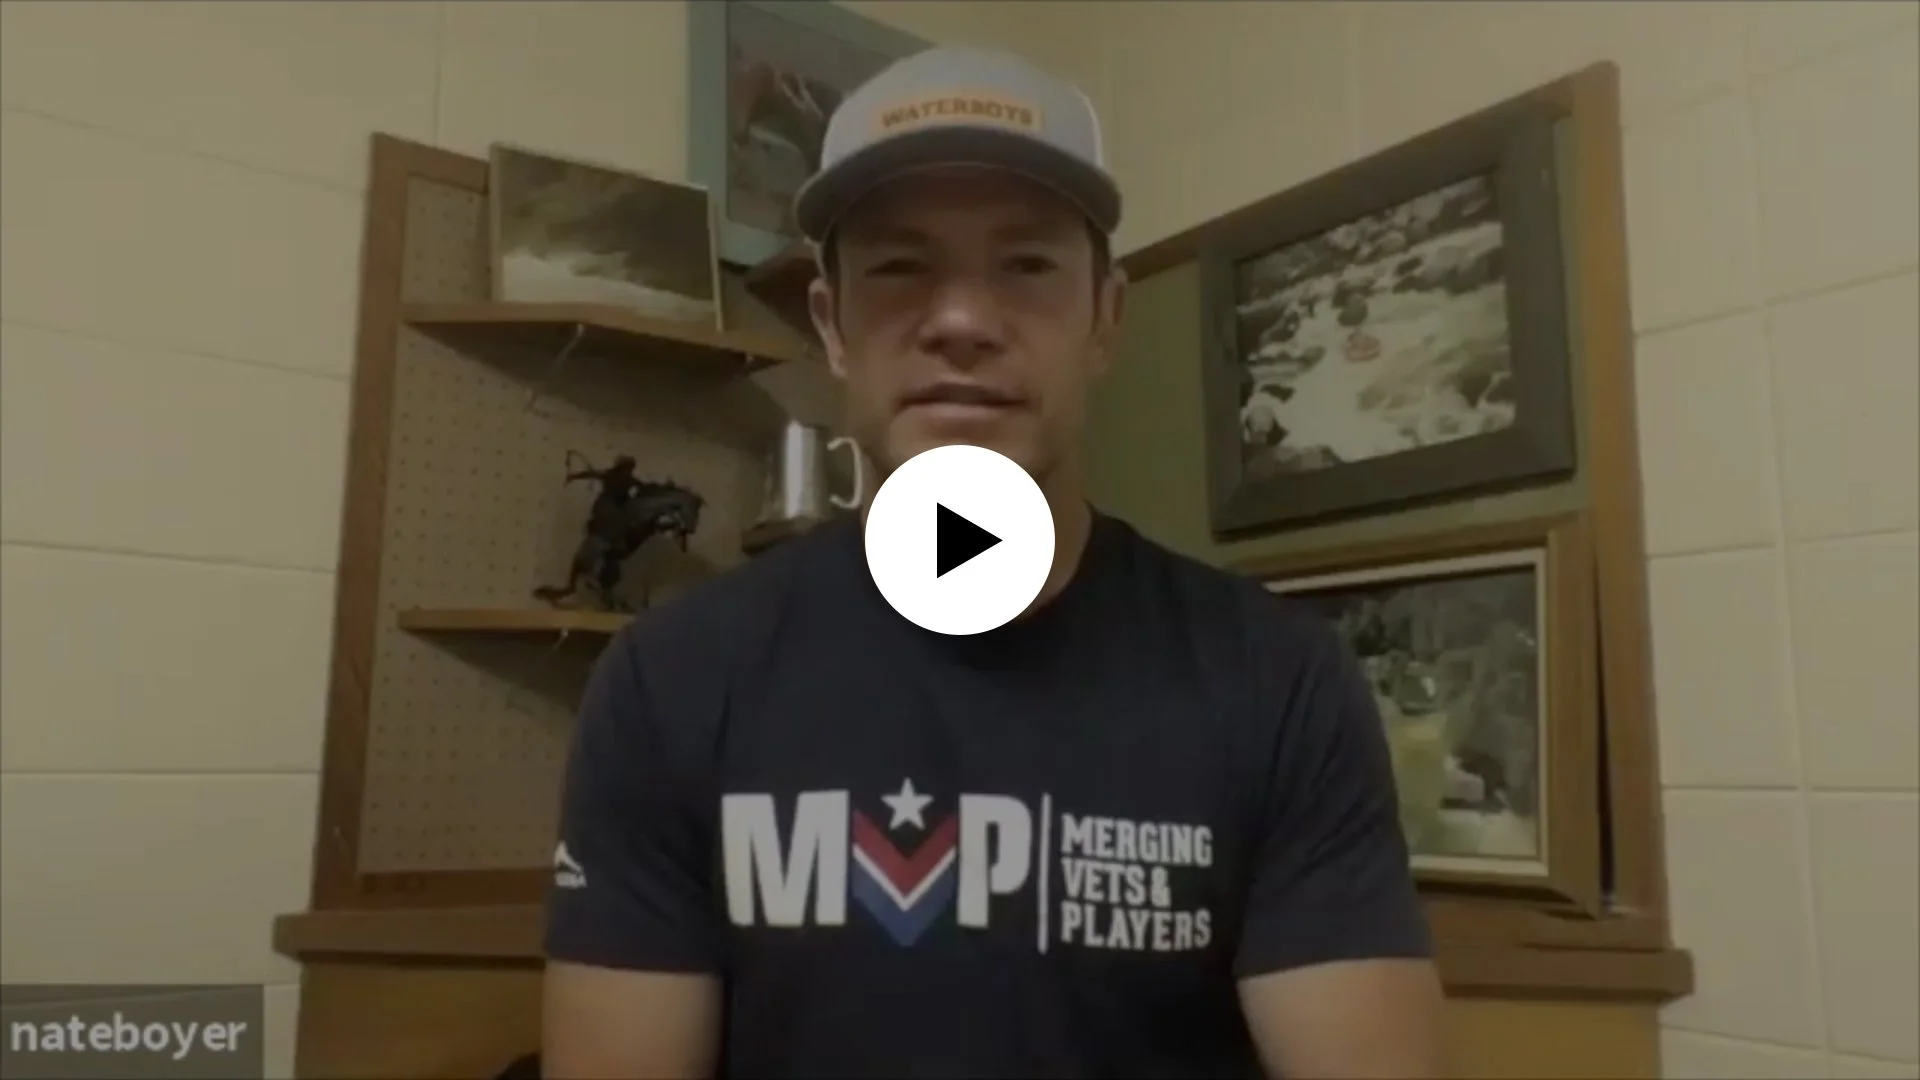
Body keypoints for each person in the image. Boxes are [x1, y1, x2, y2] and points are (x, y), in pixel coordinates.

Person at [542, 45, 1445, 1079]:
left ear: (1105, 320)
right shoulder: (671, 681)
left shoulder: (1279, 682)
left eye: (1025, 266)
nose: (963, 321)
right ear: (832, 328)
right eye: (898, 266)